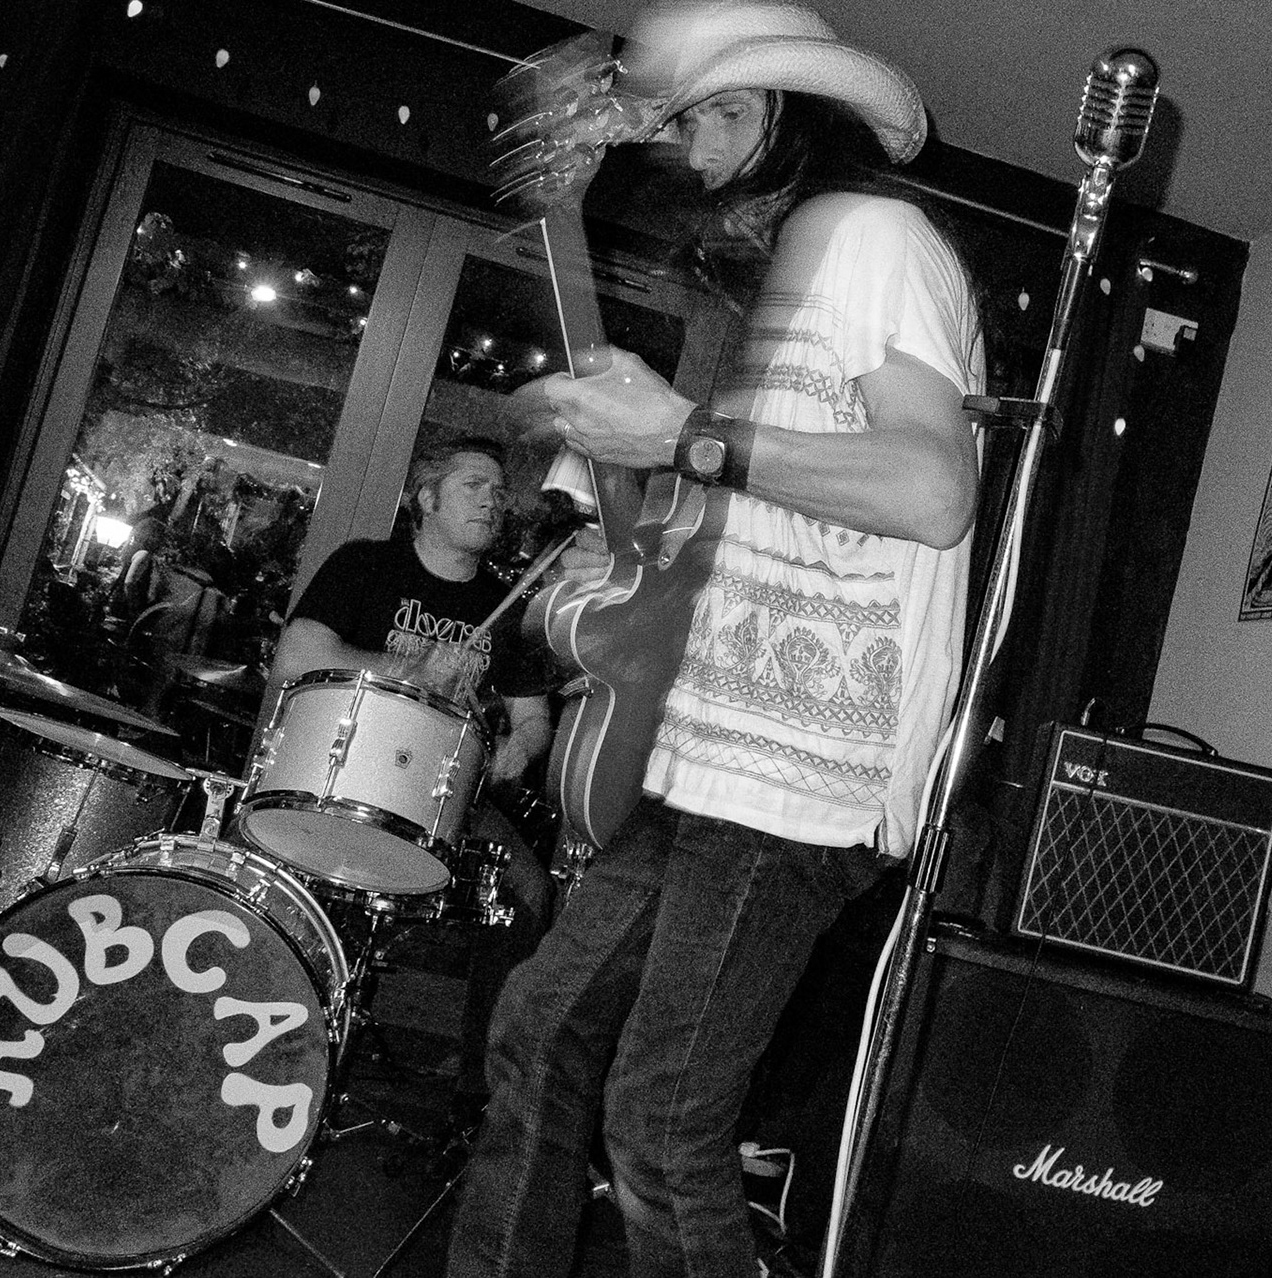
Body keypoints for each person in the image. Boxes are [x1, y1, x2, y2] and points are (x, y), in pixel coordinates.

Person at [444, 4, 985, 1276]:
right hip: (704, 754)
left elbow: (930, 490)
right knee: (537, 1033)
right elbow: (770, 510)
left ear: (784, 119)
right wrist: (635, 543)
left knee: (661, 1122)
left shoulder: (874, 236)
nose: (690, 156)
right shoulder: (786, 286)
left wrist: (684, 437)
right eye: (681, 125)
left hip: (802, 776)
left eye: (713, 120)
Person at [269, 434, 555, 1114]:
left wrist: (519, 747)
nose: (492, 501)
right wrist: (410, 669)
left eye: (498, 492)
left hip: (444, 800)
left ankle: (480, 1099)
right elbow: (294, 659)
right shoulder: (366, 564)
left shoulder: (509, 607)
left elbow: (533, 719)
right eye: (473, 486)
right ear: (426, 498)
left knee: (529, 896)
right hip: (339, 773)